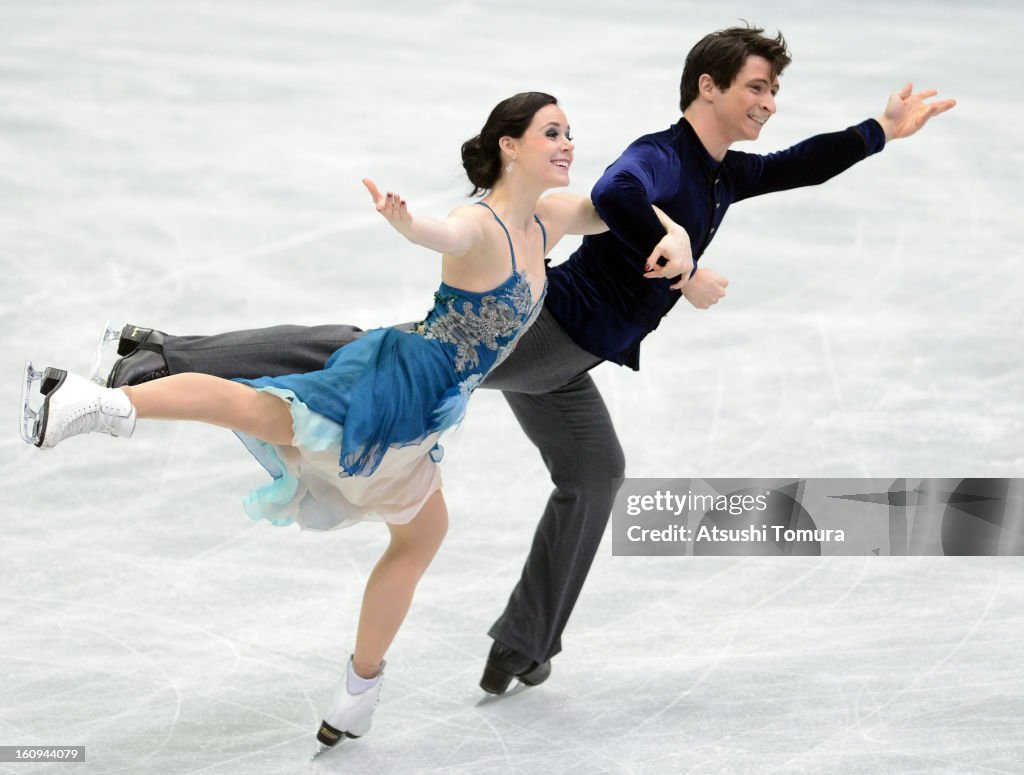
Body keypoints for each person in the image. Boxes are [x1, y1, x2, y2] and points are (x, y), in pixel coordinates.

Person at [95, 25, 956, 696]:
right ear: (711, 86)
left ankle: (523, 644)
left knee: (596, 470)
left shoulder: (724, 174)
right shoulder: (664, 155)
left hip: (567, 361)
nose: (770, 102)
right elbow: (619, 190)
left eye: (775, 89)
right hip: (542, 328)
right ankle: (162, 353)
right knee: (369, 358)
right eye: (758, 87)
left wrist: (883, 129)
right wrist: (677, 252)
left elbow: (803, 167)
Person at [21, 92, 689, 750]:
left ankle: (357, 695)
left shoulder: (547, 218)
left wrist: (677, 235)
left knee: (421, 532)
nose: (567, 142)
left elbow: (614, 207)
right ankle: (91, 403)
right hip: (396, 385)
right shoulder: (479, 224)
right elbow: (445, 233)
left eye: (569, 131)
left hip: (428, 410)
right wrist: (408, 225)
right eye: (551, 132)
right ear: (509, 146)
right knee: (257, 407)